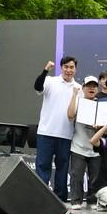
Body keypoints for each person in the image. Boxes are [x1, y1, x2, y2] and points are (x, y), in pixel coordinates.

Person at [33, 57, 81, 201]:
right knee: (43, 165)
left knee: (62, 168)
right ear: (61, 68)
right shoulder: (50, 81)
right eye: (66, 67)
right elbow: (37, 87)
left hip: (66, 135)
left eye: (71, 67)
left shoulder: (79, 88)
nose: (68, 70)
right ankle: (41, 197)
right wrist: (45, 70)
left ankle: (60, 199)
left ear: (75, 69)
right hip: (46, 132)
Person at [66, 76, 102, 209]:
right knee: (77, 175)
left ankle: (92, 201)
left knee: (95, 177)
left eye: (94, 86)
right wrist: (74, 95)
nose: (91, 88)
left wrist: (100, 127)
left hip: (96, 148)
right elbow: (70, 116)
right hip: (78, 146)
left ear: (97, 89)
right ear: (83, 88)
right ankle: (76, 201)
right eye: (88, 86)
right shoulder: (78, 102)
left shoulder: (101, 105)